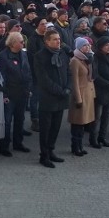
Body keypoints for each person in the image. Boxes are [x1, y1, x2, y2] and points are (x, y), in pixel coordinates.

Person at [32, 30, 70, 168]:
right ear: (46, 41)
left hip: (62, 97)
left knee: (56, 126)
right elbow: (43, 79)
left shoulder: (63, 54)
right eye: (54, 39)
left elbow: (68, 72)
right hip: (48, 98)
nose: (58, 41)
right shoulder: (40, 56)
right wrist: (59, 90)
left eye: (59, 39)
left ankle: (51, 150)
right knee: (46, 128)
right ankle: (44, 155)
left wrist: (68, 87)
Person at [0, 32, 32, 154]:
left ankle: (18, 143)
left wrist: (28, 88)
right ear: (12, 43)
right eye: (21, 42)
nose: (23, 43)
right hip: (10, 94)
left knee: (20, 119)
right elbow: (2, 78)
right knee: (6, 121)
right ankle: (4, 146)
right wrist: (4, 95)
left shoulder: (23, 54)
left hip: (22, 93)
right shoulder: (3, 57)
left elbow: (27, 71)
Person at [68, 37, 95, 157]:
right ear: (79, 47)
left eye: (88, 45)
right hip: (80, 95)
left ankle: (80, 145)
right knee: (77, 123)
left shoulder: (87, 59)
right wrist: (78, 99)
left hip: (88, 94)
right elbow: (75, 82)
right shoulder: (75, 60)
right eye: (85, 46)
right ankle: (75, 146)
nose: (87, 47)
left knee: (83, 124)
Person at [91, 37, 109, 148]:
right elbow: (95, 75)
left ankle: (102, 137)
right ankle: (93, 138)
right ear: (101, 46)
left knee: (106, 115)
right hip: (101, 89)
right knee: (96, 116)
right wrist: (108, 84)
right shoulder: (96, 58)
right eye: (106, 45)